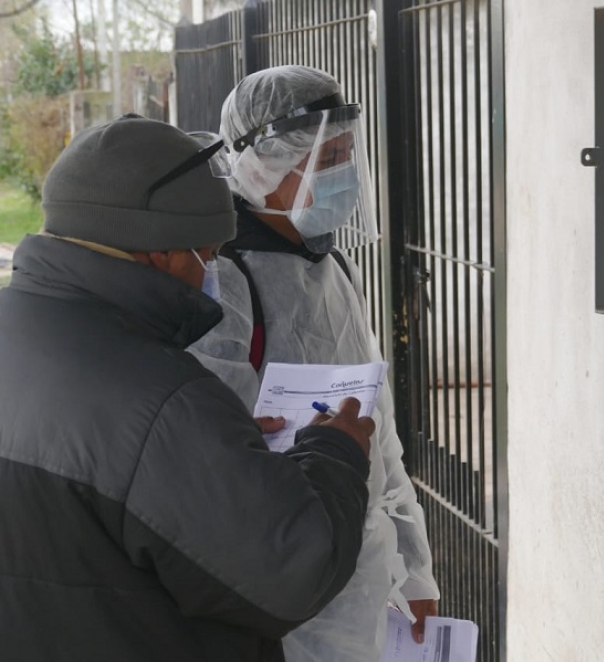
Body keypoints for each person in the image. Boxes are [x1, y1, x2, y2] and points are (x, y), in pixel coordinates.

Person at [0, 115, 375, 661]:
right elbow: (293, 569)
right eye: (210, 254)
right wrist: (335, 452)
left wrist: (208, 450)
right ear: (161, 253)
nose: (210, 272)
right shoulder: (160, 400)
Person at [189, 65, 440, 662]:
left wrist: (413, 570)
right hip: (276, 581)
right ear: (263, 165)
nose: (344, 176)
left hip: (361, 572)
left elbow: (376, 433)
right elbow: (210, 450)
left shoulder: (332, 270)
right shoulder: (224, 280)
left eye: (348, 156)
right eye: (327, 159)